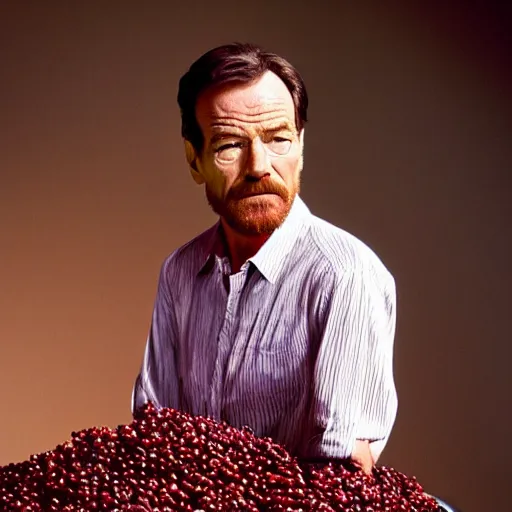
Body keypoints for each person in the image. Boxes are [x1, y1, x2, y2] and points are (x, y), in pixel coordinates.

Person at [132, 42, 398, 475]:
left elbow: (342, 471)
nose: (259, 165)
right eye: (230, 145)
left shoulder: (343, 274)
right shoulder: (179, 272)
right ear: (194, 160)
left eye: (279, 140)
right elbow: (154, 439)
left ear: (301, 146)